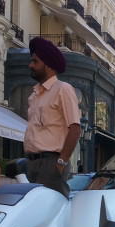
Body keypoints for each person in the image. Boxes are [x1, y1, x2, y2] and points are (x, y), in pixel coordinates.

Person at [23, 36, 81, 196]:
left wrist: (61, 162)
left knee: (49, 211)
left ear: (47, 64)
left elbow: (75, 128)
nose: (30, 65)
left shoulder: (63, 89)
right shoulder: (34, 95)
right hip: (32, 163)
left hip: (51, 163)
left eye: (35, 61)